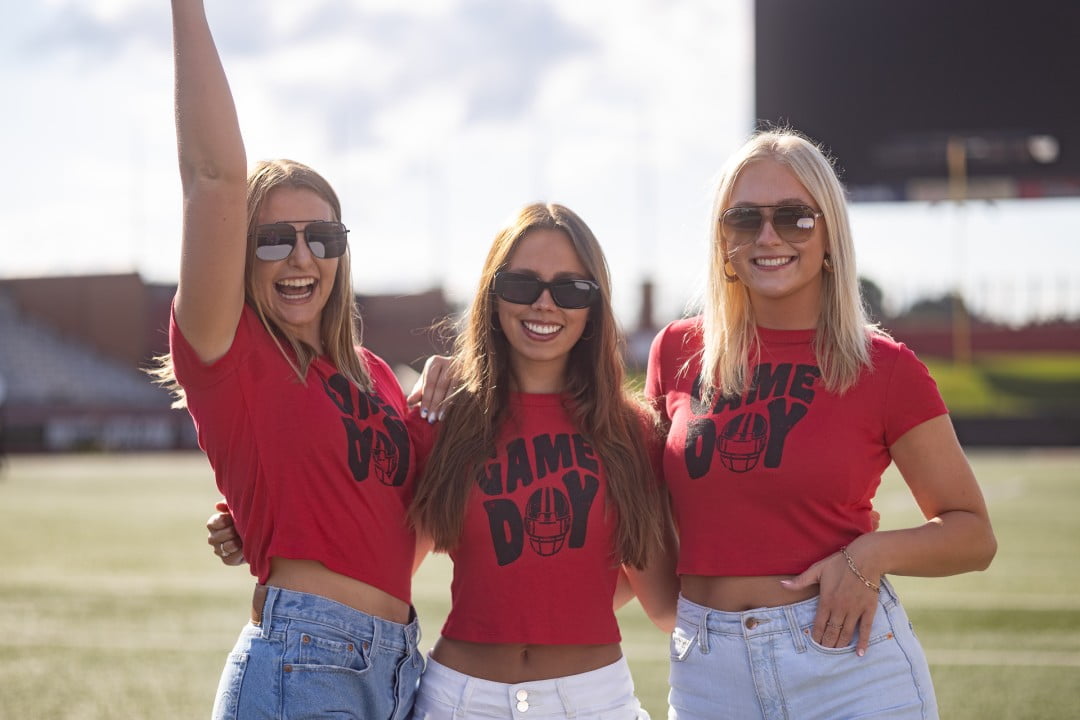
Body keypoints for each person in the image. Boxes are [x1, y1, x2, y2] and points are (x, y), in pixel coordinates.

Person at [208, 203, 680, 719]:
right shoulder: (447, 420)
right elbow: (379, 555)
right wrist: (257, 522)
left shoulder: (632, 433)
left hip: (593, 701)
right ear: (492, 296)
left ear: (594, 305)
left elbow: (664, 605)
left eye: (570, 289)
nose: (545, 305)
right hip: (459, 700)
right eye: (522, 285)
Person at [646, 128, 997, 720]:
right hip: (709, 675)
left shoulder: (884, 368)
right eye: (743, 219)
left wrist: (870, 556)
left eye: (794, 218)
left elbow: (973, 534)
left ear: (829, 234)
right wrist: (685, 622)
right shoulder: (678, 350)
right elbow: (642, 509)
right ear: (722, 239)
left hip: (847, 666)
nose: (768, 236)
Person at [156, 2, 422, 717]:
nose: (301, 257)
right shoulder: (230, 350)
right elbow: (212, 177)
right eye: (273, 239)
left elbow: (408, 533)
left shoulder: (375, 378)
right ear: (238, 258)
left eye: (321, 237)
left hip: (398, 671)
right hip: (303, 666)